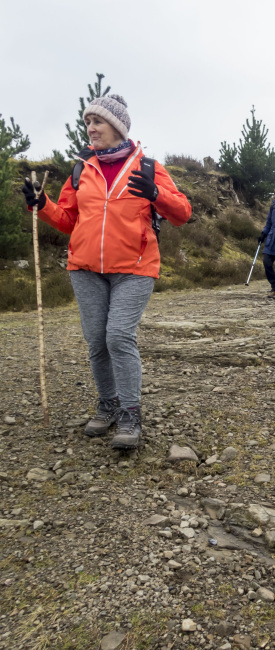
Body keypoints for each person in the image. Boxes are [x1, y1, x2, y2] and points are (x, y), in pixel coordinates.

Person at [21, 94, 191, 450]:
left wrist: (157, 193)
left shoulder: (147, 166)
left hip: (135, 268)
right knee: (97, 342)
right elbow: (68, 220)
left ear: (117, 126)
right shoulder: (82, 167)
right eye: (87, 123)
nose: (90, 129)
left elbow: (182, 213)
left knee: (118, 337)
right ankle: (109, 404)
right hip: (85, 268)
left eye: (96, 122)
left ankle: (130, 413)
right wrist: (42, 204)